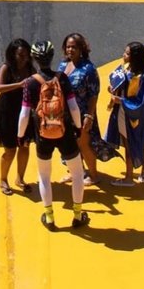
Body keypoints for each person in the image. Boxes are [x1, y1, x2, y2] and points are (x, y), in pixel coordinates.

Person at [17, 40, 87, 231]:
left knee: (44, 176)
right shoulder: (62, 78)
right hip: (65, 133)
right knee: (78, 174)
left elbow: (24, 114)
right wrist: (78, 127)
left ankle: (49, 217)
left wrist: (20, 136)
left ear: (35, 59)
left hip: (42, 134)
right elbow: (73, 107)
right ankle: (78, 214)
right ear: (52, 56)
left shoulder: (30, 83)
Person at [104, 42, 144, 185]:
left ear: (134, 57)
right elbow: (120, 85)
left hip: (131, 114)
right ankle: (142, 166)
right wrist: (114, 89)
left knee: (131, 142)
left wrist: (120, 100)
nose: (123, 55)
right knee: (128, 142)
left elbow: (140, 102)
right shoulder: (126, 69)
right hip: (121, 111)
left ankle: (128, 177)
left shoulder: (141, 77)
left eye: (126, 53)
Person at [58, 34, 101, 186]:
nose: (70, 50)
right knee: (70, 145)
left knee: (83, 144)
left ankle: (94, 175)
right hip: (65, 114)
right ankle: (77, 172)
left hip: (82, 113)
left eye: (74, 47)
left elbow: (94, 94)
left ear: (81, 49)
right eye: (68, 46)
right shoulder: (63, 65)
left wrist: (89, 115)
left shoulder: (89, 69)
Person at [0, 39, 35, 195]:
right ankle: (3, 179)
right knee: (10, 149)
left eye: (26, 55)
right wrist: (19, 84)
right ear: (13, 54)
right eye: (20, 55)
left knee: (24, 146)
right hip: (7, 112)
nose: (24, 58)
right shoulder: (6, 68)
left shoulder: (30, 68)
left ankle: (20, 178)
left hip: (24, 112)